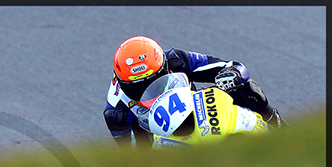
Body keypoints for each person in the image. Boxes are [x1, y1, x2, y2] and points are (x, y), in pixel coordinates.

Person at [104, 36, 287, 147]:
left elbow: (234, 66)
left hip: (199, 110)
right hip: (163, 139)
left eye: (154, 79)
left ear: (165, 67)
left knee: (247, 89)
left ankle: (282, 130)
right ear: (122, 82)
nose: (146, 87)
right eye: (136, 86)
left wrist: (231, 75)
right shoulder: (116, 112)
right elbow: (133, 158)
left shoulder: (176, 59)